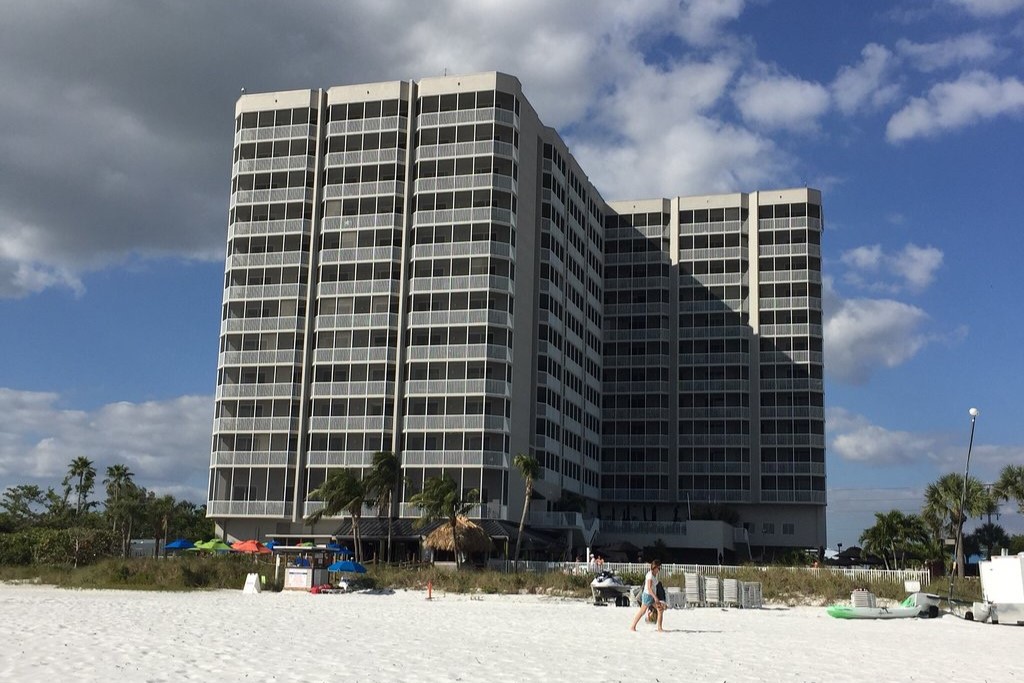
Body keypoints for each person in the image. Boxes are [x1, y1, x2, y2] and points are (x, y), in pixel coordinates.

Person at [630, 559, 666, 632]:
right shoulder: (650, 576)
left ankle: (659, 628)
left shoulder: (653, 574)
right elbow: (649, 588)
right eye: (658, 568)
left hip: (651, 595)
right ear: (655, 567)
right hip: (648, 596)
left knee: (660, 609)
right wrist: (656, 598)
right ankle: (632, 627)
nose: (659, 570)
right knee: (642, 612)